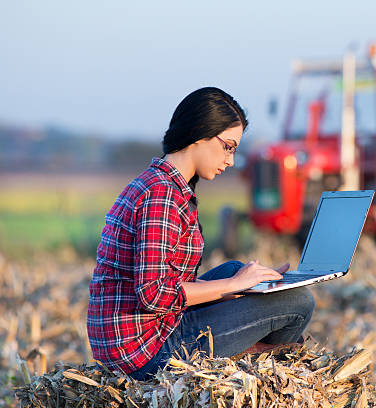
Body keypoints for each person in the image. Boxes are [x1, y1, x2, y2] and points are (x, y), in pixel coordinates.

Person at [87, 87, 315, 381]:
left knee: (243, 272)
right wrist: (233, 285)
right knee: (298, 303)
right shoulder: (162, 196)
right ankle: (256, 369)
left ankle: (250, 359)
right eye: (228, 147)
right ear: (200, 134)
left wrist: (242, 283)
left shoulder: (162, 184)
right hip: (145, 352)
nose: (231, 160)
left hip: (146, 333)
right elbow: (154, 295)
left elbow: (166, 286)